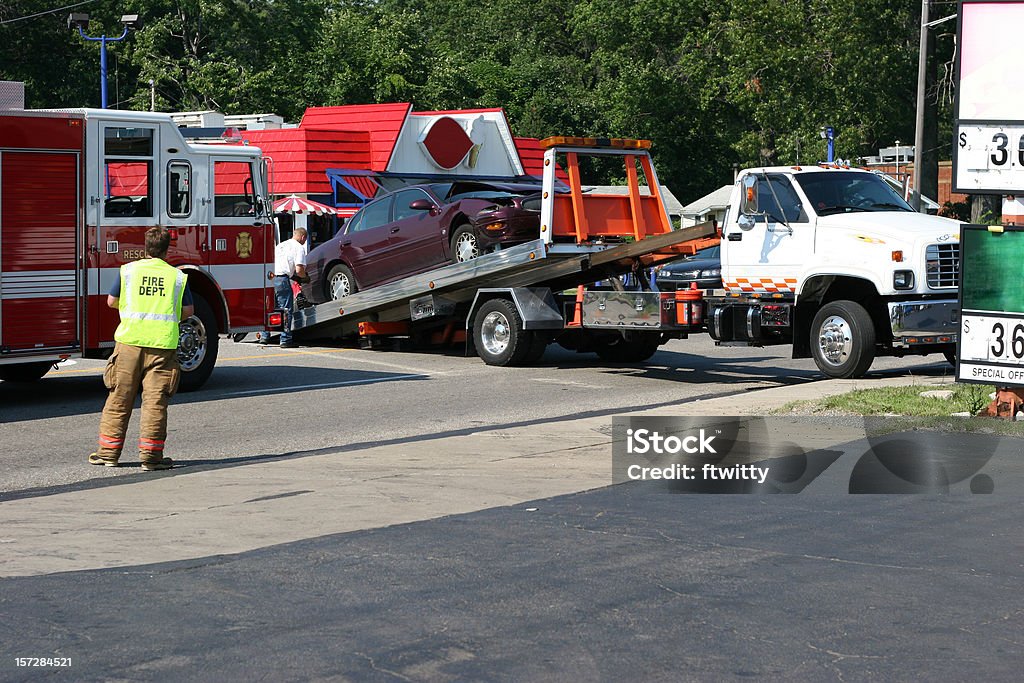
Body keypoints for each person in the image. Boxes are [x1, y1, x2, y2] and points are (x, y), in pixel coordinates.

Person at [89, 226, 194, 471]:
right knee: (155, 403)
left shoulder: (128, 271)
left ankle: (108, 454)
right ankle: (151, 458)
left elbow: (111, 301)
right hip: (162, 347)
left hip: (129, 344)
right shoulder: (177, 277)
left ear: (145, 248)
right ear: (168, 249)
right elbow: (189, 311)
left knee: (119, 398)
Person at [272, 227, 308, 348]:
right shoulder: (299, 248)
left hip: (270, 278)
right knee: (286, 310)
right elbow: (299, 269)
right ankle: (286, 339)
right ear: (303, 237)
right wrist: (305, 278)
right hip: (282, 280)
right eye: (305, 240)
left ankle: (264, 336)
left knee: (270, 308)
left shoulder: (281, 245)